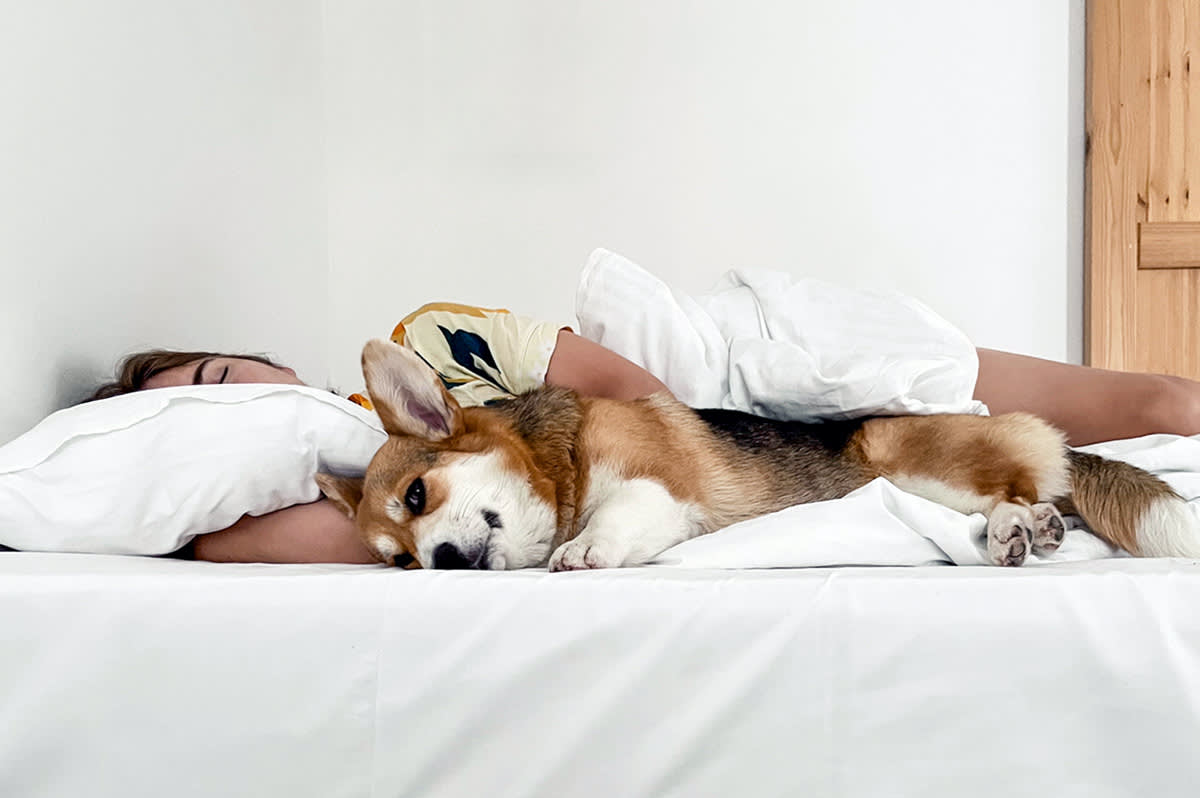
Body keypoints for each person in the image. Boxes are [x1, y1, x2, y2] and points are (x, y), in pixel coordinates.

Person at [89, 302, 1200, 565]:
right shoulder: (337, 487)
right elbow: (211, 539)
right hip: (703, 446)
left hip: (753, 382)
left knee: (1162, 404)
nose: (238, 400)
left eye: (224, 375)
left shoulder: (424, 347)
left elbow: (635, 391)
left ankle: (1031, 481)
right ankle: (1020, 505)